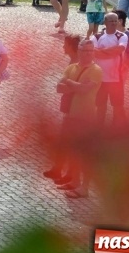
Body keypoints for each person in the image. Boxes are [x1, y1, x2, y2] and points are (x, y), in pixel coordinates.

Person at [43, 39, 101, 199]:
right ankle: (75, 182)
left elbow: (84, 90)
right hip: (71, 116)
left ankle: (84, 187)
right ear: (79, 51)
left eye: (90, 51)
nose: (87, 54)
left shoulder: (96, 70)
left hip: (86, 117)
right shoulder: (71, 67)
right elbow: (59, 88)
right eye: (83, 50)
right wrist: (75, 85)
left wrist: (69, 83)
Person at [90, 13, 128, 127]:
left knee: (117, 105)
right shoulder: (96, 36)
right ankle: (99, 127)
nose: (114, 23)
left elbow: (120, 49)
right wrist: (111, 52)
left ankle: (116, 128)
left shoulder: (122, 36)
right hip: (100, 79)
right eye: (111, 21)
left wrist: (102, 52)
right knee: (100, 105)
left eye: (116, 21)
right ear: (105, 22)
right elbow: (94, 53)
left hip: (116, 78)